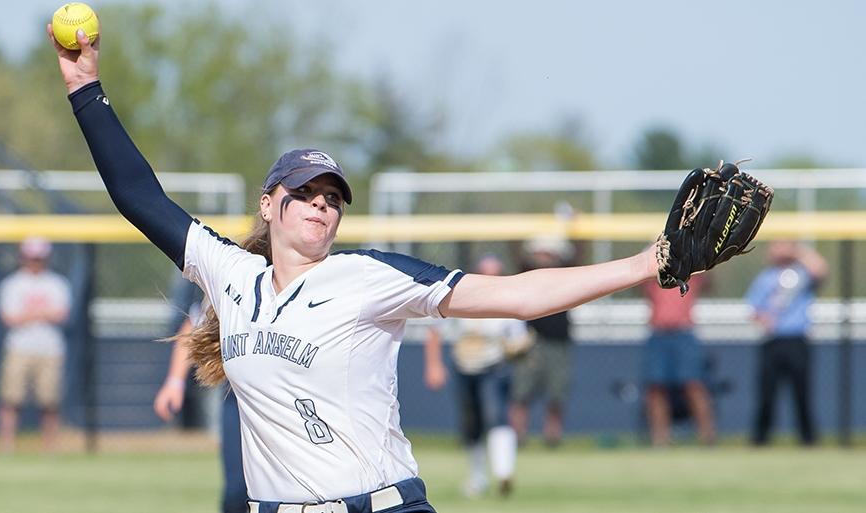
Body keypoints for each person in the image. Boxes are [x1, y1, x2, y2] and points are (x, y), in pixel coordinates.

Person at [51, 27, 686, 512]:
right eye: (306, 193)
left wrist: (644, 263)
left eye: (333, 199)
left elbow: (518, 297)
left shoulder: (368, 277)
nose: (321, 206)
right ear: (269, 204)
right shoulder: (229, 273)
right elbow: (138, 196)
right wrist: (85, 89)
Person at [423, 255, 525, 498]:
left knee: (497, 415)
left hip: (494, 367)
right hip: (464, 366)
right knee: (471, 425)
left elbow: (519, 340)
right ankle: (478, 477)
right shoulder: (460, 299)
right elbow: (435, 331)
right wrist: (434, 365)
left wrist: (518, 347)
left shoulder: (508, 304)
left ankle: (503, 472)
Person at [155, 298, 249, 513]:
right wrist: (174, 382)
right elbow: (195, 324)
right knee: (236, 492)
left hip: (293, 399)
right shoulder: (242, 273)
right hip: (237, 398)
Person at [747, 240, 827, 446]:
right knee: (767, 395)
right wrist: (764, 319)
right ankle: (760, 440)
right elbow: (753, 309)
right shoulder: (765, 278)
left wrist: (796, 251)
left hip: (797, 340)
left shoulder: (801, 273)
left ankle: (808, 440)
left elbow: (820, 270)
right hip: (773, 341)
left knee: (802, 394)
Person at [0, 236, 71, 454]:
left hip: (50, 349)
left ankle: (50, 448)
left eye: (39, 257)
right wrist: (41, 313)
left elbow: (61, 314)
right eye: (32, 257)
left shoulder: (56, 283)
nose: (35, 261)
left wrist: (29, 314)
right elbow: (10, 318)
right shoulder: (13, 284)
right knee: (11, 398)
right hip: (19, 347)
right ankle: (6, 446)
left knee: (49, 401)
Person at [509, 236, 576, 448]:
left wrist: (572, 231)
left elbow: (578, 256)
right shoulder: (528, 275)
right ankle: (517, 437)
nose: (544, 257)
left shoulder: (564, 275)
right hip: (531, 344)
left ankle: (552, 438)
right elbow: (516, 252)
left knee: (557, 395)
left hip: (558, 343)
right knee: (521, 394)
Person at [641, 273, 716, 446]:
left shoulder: (690, 266)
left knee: (693, 384)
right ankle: (660, 440)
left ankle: (708, 438)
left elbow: (709, 281)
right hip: (659, 331)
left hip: (683, 331)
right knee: (656, 387)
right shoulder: (654, 261)